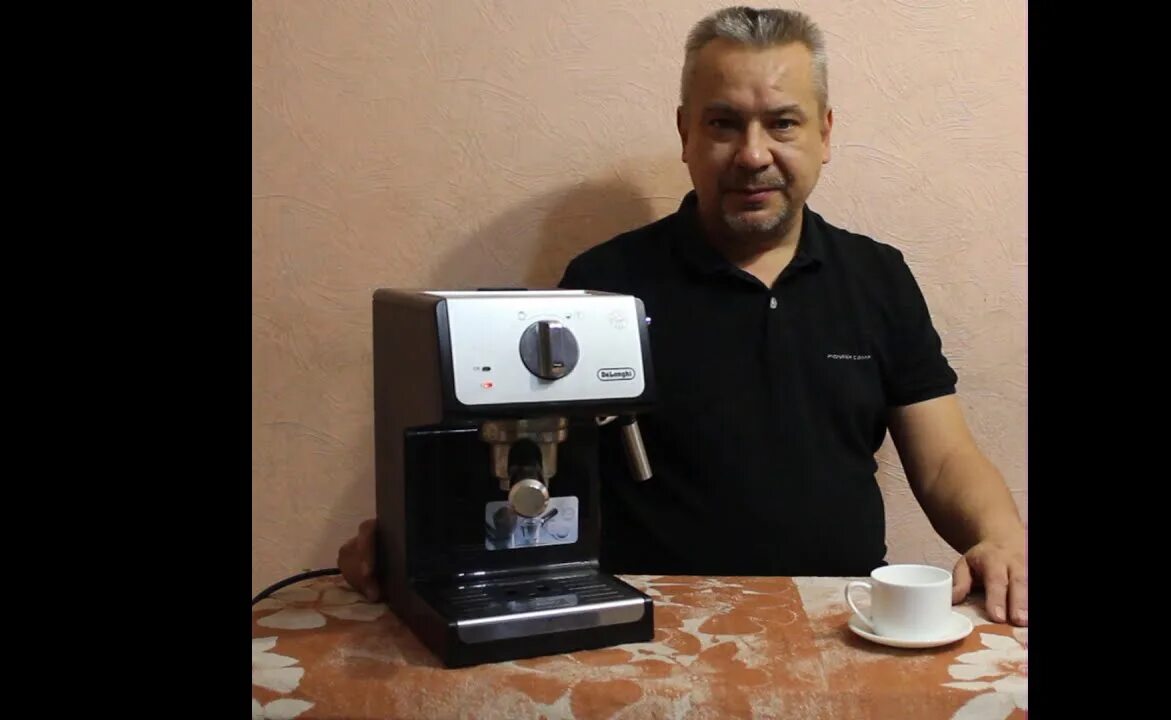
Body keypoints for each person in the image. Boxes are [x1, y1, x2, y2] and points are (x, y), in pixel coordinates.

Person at [339, 6, 1027, 626]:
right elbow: (524, 464)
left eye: (782, 122)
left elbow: (945, 461)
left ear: (824, 132)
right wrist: (414, 538)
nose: (753, 154)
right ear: (685, 133)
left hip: (839, 620)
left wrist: (1001, 539)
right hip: (649, 623)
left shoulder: (880, 277)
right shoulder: (604, 286)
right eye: (724, 122)